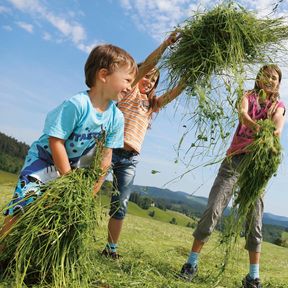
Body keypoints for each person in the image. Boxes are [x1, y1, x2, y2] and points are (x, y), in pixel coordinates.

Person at [0, 44, 135, 237]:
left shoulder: (116, 118)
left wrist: (90, 193)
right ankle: (3, 247)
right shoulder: (77, 105)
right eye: (128, 80)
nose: (131, 87)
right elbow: (56, 141)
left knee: (52, 215)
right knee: (22, 206)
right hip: (43, 160)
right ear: (104, 75)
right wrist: (67, 177)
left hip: (71, 168)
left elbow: (106, 158)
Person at [179, 64, 286, 288]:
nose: (270, 79)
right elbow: (243, 114)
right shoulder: (247, 96)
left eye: (275, 78)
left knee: (254, 220)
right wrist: (259, 129)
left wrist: (270, 134)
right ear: (258, 78)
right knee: (213, 209)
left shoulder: (279, 106)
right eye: (266, 75)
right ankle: (191, 263)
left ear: (278, 83)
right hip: (235, 160)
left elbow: (277, 129)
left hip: (257, 167)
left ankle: (253, 277)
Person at [102, 32, 186, 259]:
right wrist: (166, 45)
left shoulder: (151, 105)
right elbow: (148, 64)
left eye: (154, 80)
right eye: (146, 76)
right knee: (88, 191)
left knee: (121, 205)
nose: (149, 81)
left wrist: (189, 77)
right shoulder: (127, 94)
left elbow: (173, 94)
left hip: (129, 159)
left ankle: (110, 249)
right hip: (108, 150)